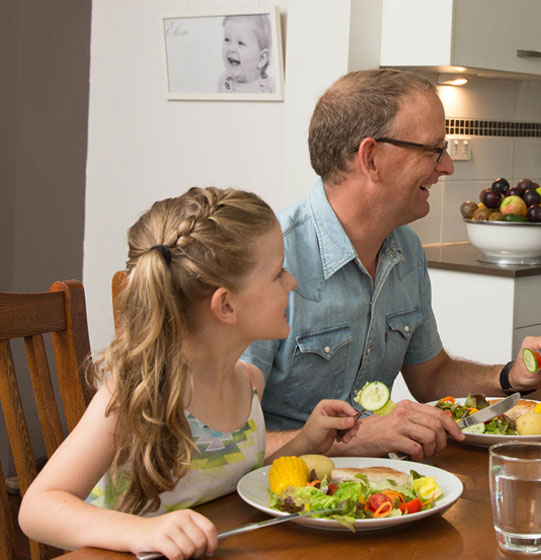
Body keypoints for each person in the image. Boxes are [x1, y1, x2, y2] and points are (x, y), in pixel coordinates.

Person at [241, 69, 541, 460]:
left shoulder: (406, 249)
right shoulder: (269, 259)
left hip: (379, 492)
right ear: (371, 158)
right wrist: (355, 440)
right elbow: (225, 444)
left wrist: (510, 376)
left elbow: (430, 376)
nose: (447, 165)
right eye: (433, 149)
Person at [18, 187, 359, 558]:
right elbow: (37, 508)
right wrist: (142, 532)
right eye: (278, 273)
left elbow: (221, 474)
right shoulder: (137, 396)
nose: (292, 282)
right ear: (226, 305)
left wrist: (305, 443)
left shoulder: (249, 384)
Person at [217, 14, 274, 94]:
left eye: (240, 43)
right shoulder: (224, 81)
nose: (231, 49)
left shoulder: (270, 87)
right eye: (227, 40)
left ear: (261, 58)